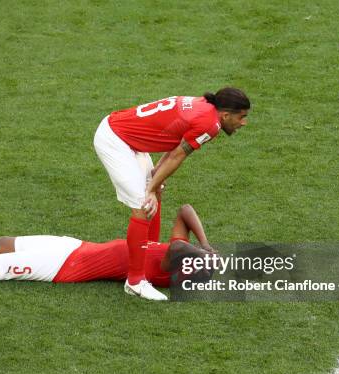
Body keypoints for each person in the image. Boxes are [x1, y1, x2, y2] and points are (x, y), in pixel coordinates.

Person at [93, 87, 250, 300]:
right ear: (225, 115)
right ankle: (136, 281)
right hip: (116, 141)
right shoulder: (210, 124)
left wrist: (156, 177)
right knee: (143, 204)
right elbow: (178, 155)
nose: (243, 123)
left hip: (125, 135)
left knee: (155, 192)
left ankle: (147, 254)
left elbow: (176, 137)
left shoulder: (203, 105)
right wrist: (149, 188)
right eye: (242, 117)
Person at [0, 204, 215, 296]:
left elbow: (181, 226)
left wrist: (201, 250)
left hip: (65, 268)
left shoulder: (171, 267)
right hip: (75, 247)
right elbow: (184, 210)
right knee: (2, 243)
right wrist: (207, 245)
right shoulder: (180, 253)